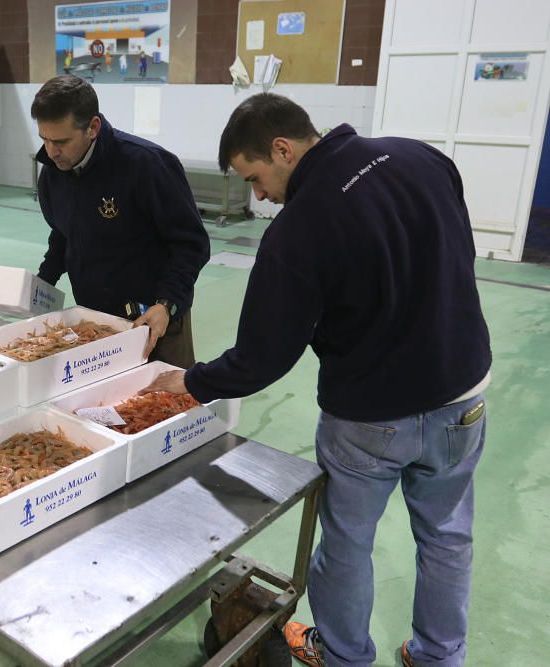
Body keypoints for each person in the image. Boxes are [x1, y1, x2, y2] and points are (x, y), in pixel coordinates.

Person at [141, 93, 491, 667]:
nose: (259, 195)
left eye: (255, 177)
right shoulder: (423, 159)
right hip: (462, 396)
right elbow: (457, 253)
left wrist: (191, 383)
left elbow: (260, 358)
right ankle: (438, 656)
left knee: (348, 543)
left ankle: (346, 656)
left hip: (370, 416)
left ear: (283, 148)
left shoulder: (298, 230)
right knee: (449, 538)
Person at [30, 75, 210, 368]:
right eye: (44, 140)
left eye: (61, 141)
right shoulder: (53, 173)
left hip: (152, 322)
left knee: (159, 404)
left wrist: (166, 304)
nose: (51, 152)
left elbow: (191, 245)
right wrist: (40, 286)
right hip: (95, 323)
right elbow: (64, 234)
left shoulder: (146, 165)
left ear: (93, 128)